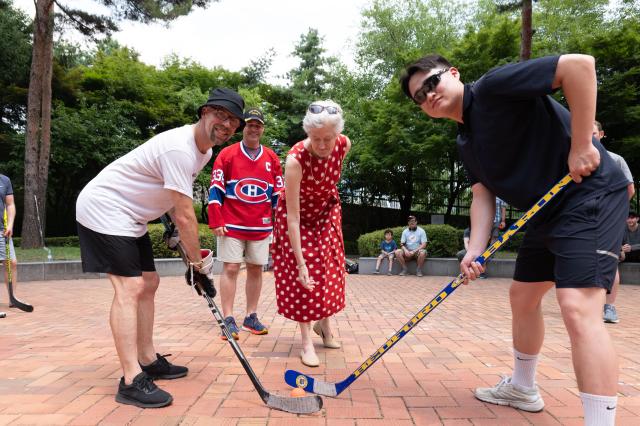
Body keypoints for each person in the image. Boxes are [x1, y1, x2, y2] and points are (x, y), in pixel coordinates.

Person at [401, 54, 628, 425]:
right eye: (419, 97)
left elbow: (580, 66)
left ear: (454, 74)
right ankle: (523, 388)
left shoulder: (493, 88)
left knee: (576, 306)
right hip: (545, 211)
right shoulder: (465, 140)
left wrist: (582, 143)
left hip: (590, 195)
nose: (428, 96)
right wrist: (474, 251)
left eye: (432, 83)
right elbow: (482, 195)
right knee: (522, 296)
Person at [76, 88, 245, 408]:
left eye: (233, 121)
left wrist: (173, 234)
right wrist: (198, 267)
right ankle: (130, 379)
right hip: (105, 208)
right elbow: (185, 214)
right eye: (221, 115)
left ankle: (147, 358)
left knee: (149, 282)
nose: (226, 124)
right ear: (204, 112)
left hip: (131, 216)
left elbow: (171, 195)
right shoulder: (179, 149)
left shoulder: (204, 151)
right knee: (130, 286)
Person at [272, 100, 351, 368]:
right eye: (315, 138)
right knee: (305, 277)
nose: (321, 145)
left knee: (329, 268)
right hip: (298, 216)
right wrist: (301, 262)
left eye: (327, 138)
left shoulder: (344, 144)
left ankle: (325, 327)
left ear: (337, 134)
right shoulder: (295, 160)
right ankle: (306, 341)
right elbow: (292, 216)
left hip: (326, 210)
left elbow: (330, 179)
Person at [208, 108, 283, 340]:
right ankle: (227, 318)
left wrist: (278, 225)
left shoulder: (271, 157)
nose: (253, 128)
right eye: (250, 124)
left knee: (255, 269)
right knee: (230, 268)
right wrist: (216, 219)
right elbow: (216, 189)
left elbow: (278, 194)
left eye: (258, 125)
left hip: (260, 226)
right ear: (244, 127)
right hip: (231, 224)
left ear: (262, 129)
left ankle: (251, 316)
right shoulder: (227, 154)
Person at [593, 120, 635, 324]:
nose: (590, 136)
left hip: (609, 220)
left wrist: (614, 212)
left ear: (601, 134)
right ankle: (589, 304)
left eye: (594, 132)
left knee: (611, 261)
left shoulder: (615, 160)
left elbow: (630, 189)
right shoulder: (576, 158)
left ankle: (609, 307)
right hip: (584, 219)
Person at [0, 174, 20, 307]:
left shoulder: (4, 180)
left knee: (11, 262)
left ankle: (13, 298)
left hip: (2, 229)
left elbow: (10, 204)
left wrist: (10, 225)